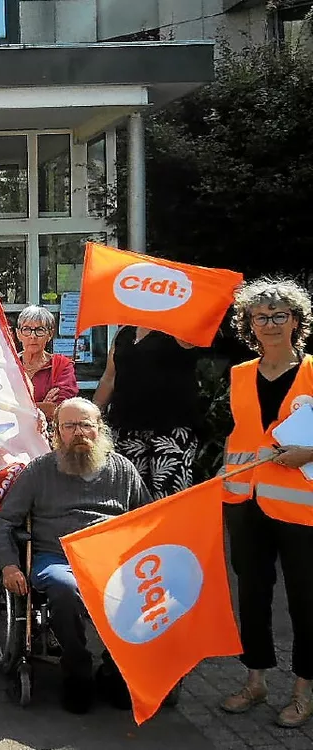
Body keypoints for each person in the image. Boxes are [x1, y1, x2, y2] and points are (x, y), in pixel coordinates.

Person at [0, 397, 152, 715]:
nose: (78, 432)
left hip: (110, 559)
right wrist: (9, 565)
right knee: (63, 588)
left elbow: (146, 519)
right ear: (57, 432)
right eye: (70, 426)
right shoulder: (39, 471)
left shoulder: (123, 469)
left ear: (99, 429)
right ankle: (77, 670)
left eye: (85, 425)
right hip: (57, 557)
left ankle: (114, 668)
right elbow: (3, 522)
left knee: (139, 586)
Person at [220, 277, 313, 728]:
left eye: (280, 315)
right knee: (253, 595)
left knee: (306, 600)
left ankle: (302, 691)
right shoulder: (239, 374)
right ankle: (255, 680)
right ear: (249, 325)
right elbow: (240, 435)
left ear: (296, 321)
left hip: (302, 508)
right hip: (244, 500)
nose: (271, 324)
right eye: (261, 317)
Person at [93, 323, 201, 501]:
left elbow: (193, 340)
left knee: (168, 496)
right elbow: (109, 378)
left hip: (171, 429)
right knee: (129, 496)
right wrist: (93, 415)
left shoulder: (179, 329)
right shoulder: (124, 332)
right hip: (126, 426)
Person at [16, 306, 79, 420]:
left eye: (40, 330)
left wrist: (20, 408)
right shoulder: (9, 364)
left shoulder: (62, 365)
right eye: (26, 329)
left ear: (50, 334)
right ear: (18, 334)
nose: (33, 336)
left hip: (49, 435)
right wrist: (42, 406)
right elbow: (0, 407)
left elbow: (61, 409)